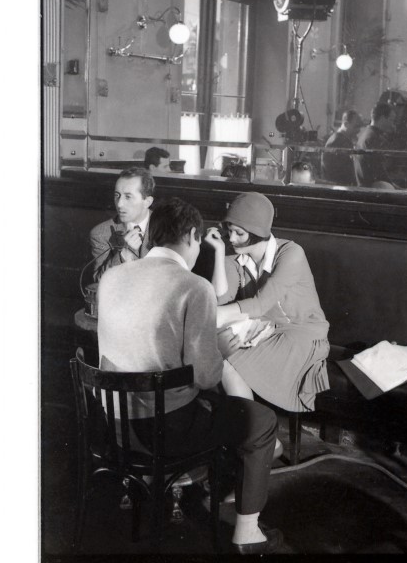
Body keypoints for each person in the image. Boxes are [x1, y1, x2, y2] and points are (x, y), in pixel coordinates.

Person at [97, 197, 283, 554]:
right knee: (262, 421)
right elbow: (206, 376)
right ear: (192, 236)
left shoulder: (112, 277)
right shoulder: (194, 286)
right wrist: (221, 350)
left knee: (211, 408)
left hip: (115, 425)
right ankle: (247, 532)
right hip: (165, 430)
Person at [204, 192, 330, 414]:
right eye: (229, 231)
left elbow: (261, 304)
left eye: (239, 233)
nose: (231, 239)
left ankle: (251, 426)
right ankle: (251, 425)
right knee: (219, 351)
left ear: (258, 233)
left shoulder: (291, 253)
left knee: (225, 356)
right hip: (265, 330)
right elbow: (220, 300)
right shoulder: (235, 256)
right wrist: (219, 252)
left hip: (303, 334)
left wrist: (218, 314)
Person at [89, 167, 155, 282]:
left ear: (147, 202)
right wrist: (124, 254)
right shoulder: (100, 233)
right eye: (117, 195)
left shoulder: (167, 227)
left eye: (128, 197)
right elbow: (100, 281)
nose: (119, 204)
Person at [353, 103, 396, 187]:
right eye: (391, 120)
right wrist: (397, 188)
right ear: (382, 118)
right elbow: (379, 173)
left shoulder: (365, 134)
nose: (392, 125)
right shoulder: (374, 138)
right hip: (374, 188)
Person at [321, 110, 362, 185]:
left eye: (360, 126)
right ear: (346, 124)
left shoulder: (342, 139)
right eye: (356, 126)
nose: (359, 130)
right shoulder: (338, 142)